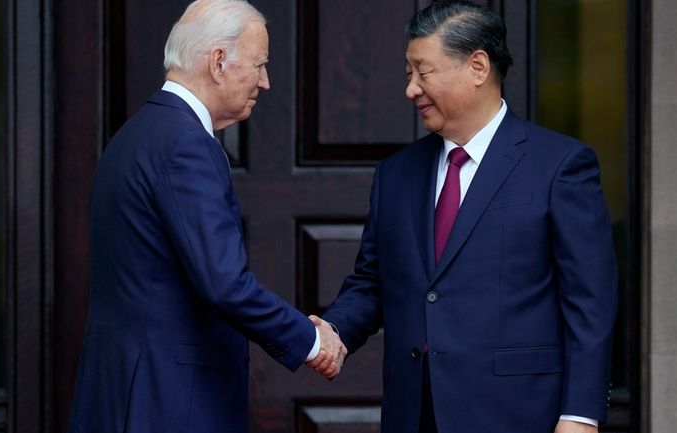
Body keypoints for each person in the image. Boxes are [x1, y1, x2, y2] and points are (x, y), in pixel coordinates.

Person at [310, 1, 618, 432]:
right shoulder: (396, 174)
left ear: (477, 67)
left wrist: (581, 415)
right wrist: (333, 332)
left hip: (520, 414)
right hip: (415, 414)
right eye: (408, 73)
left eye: (423, 71)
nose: (411, 89)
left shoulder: (560, 165)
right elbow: (373, 282)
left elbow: (590, 303)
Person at [67, 1, 345, 432]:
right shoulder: (186, 143)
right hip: (167, 400)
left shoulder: (136, 134)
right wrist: (310, 341)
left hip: (123, 389)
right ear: (218, 62)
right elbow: (224, 283)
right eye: (259, 65)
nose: (265, 82)